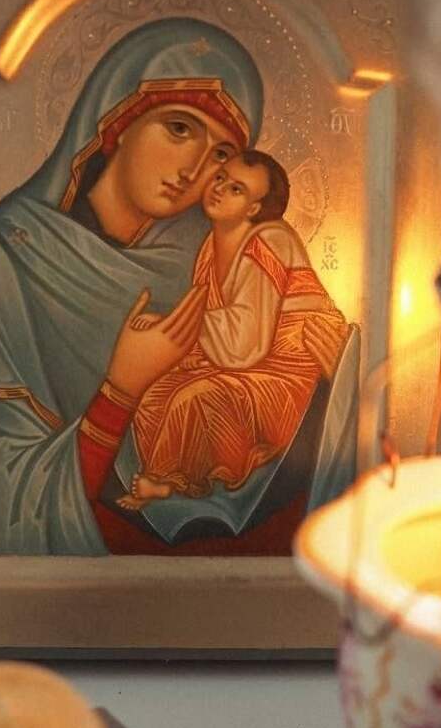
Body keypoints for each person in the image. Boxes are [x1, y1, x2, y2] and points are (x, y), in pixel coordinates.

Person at [0, 17, 357, 555]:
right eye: (179, 128)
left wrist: (340, 382)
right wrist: (120, 391)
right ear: (117, 118)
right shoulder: (9, 254)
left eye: (221, 155)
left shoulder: (217, 247)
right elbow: (2, 493)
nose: (195, 169)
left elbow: (280, 380)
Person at [120, 150, 348, 510]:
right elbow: (220, 334)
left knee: (194, 398)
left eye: (236, 189)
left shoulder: (268, 241)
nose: (220, 189)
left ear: (254, 208)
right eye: (221, 177)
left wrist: (173, 323)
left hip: (285, 377)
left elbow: (245, 343)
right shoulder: (211, 248)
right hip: (241, 365)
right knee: (154, 394)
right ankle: (175, 483)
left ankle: (167, 482)